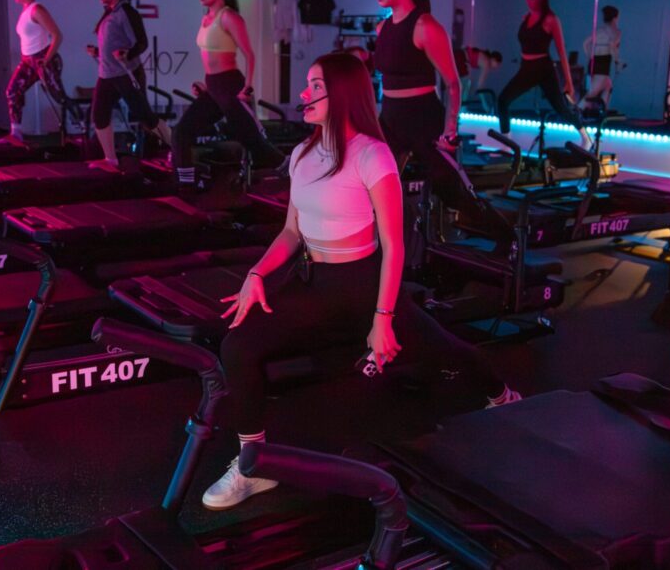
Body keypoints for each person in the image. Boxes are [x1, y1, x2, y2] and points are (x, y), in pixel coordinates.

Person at [201, 53, 521, 510]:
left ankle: (502, 396)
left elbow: (394, 245)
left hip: (363, 287)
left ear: (343, 93)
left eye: (314, 86)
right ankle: (255, 465)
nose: (303, 95)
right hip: (314, 283)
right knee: (238, 346)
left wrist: (383, 319)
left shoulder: (373, 154)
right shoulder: (303, 154)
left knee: (448, 350)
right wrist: (256, 275)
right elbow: (292, 231)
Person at [372, 0, 467, 212]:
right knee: (370, 188)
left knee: (454, 194)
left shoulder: (426, 27)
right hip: (390, 118)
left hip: (424, 120)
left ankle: (506, 241)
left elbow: (453, 84)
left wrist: (450, 132)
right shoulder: (383, 28)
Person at [172, 0, 284, 188]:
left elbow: (249, 55)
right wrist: (206, 85)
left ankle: (292, 170)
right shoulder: (207, 18)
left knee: (254, 143)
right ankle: (185, 185)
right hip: (214, 86)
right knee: (182, 132)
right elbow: (211, 57)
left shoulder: (229, 17)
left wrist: (248, 88)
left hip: (231, 85)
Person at [86, 0, 174, 172]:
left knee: (146, 118)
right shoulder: (109, 13)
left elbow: (141, 43)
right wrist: (98, 52)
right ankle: (110, 159)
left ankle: (178, 149)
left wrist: (128, 53)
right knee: (99, 115)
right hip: (107, 74)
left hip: (127, 73)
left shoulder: (126, 12)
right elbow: (113, 44)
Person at [496, 0, 591, 149]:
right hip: (527, 67)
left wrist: (568, 82)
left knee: (561, 108)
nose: (529, 2)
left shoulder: (551, 20)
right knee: (503, 100)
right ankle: (507, 145)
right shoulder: (526, 18)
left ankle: (586, 138)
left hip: (543, 68)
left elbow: (561, 51)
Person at [2, 0, 74, 144]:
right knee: (12, 91)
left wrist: (46, 59)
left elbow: (57, 35)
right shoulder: (25, 12)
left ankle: (79, 129)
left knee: (58, 96)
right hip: (28, 61)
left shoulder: (37, 10)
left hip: (43, 58)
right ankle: (16, 133)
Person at [580, 5, 622, 109]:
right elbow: (613, 47)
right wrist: (617, 61)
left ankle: (601, 111)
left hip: (593, 62)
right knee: (592, 93)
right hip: (603, 63)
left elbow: (585, 43)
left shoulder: (599, 30)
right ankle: (577, 112)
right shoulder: (616, 32)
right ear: (615, 17)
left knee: (607, 85)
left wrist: (590, 55)